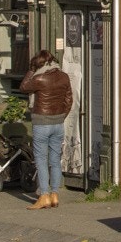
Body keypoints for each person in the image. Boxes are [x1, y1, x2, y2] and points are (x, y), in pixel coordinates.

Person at [19, 50, 74, 211]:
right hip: (58, 123)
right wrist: (62, 115)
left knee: (41, 160)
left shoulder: (38, 78)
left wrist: (31, 69)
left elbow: (23, 87)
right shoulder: (64, 76)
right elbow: (69, 99)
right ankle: (55, 194)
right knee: (55, 160)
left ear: (39, 64)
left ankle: (44, 195)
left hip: (41, 122)